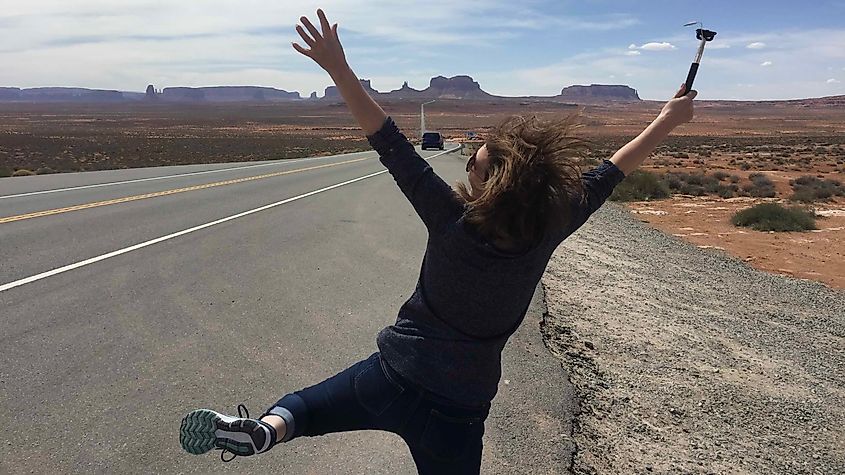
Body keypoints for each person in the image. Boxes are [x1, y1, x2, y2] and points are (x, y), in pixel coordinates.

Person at [179, 9, 696, 474]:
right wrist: (667, 120)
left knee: (305, 408)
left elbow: (386, 139)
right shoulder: (552, 223)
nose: (470, 157)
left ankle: (264, 431)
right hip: (458, 411)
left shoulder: (451, 218)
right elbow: (613, 169)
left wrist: (338, 68)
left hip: (393, 375)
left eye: (476, 157)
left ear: (480, 179)